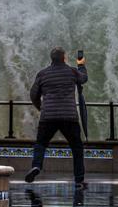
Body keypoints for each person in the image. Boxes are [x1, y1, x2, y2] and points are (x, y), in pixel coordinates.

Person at [25, 46, 88, 188]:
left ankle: (36, 166)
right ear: (64, 58)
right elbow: (84, 79)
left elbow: (33, 94)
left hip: (48, 117)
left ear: (51, 59)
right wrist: (81, 65)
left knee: (41, 144)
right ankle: (79, 180)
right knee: (77, 147)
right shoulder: (72, 71)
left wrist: (41, 107)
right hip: (69, 117)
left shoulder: (43, 74)